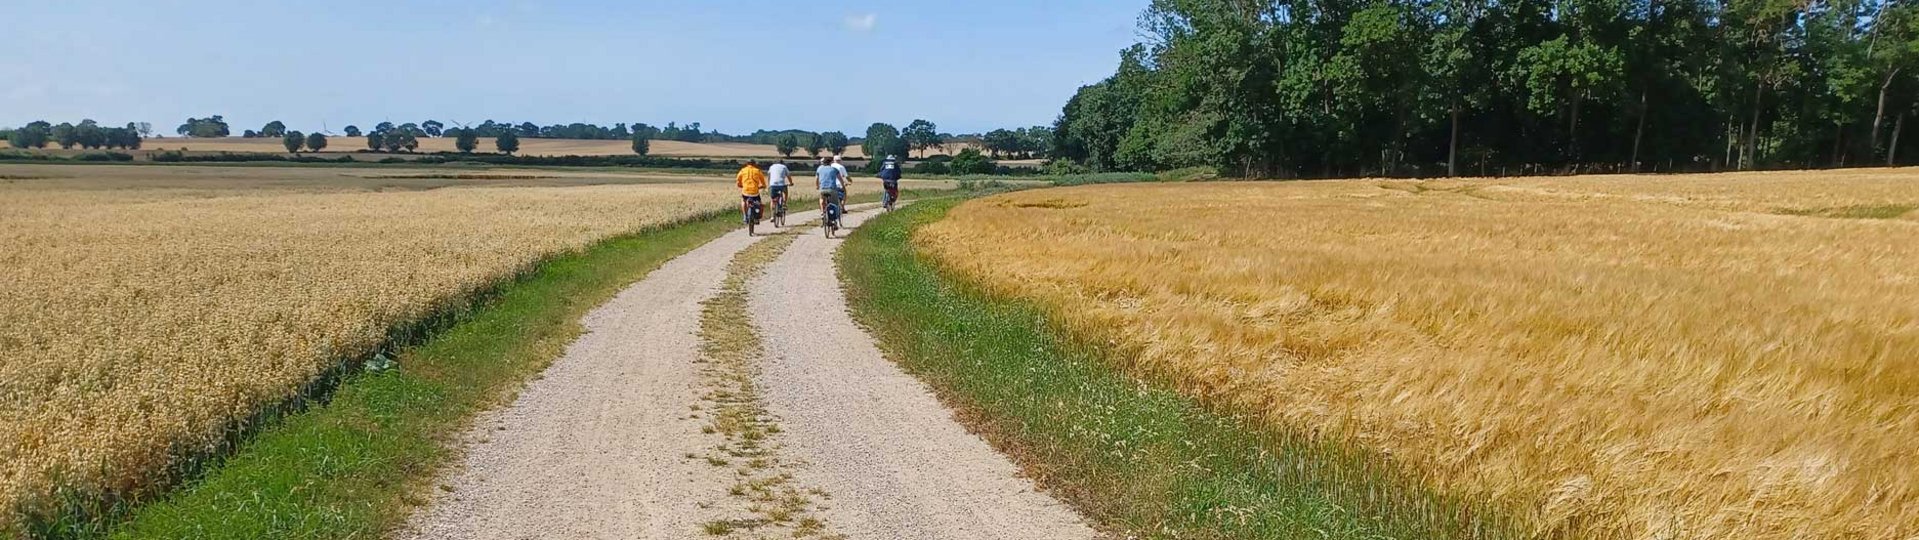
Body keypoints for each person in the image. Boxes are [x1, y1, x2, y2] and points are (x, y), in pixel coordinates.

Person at [736, 159, 768, 232]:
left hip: (745, 191)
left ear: (747, 164)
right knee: (758, 202)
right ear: (754, 164)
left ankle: (745, 216)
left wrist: (740, 185)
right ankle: (757, 217)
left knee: (743, 200)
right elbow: (763, 182)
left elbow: (738, 180)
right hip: (755, 191)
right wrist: (762, 186)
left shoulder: (742, 170)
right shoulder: (758, 171)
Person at [816, 156, 845, 223]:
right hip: (832, 189)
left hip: (822, 189)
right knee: (835, 204)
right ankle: (834, 221)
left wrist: (817, 186)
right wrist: (843, 186)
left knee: (822, 198)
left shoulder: (819, 169)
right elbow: (840, 179)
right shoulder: (834, 169)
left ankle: (822, 213)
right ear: (831, 162)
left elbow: (817, 179)